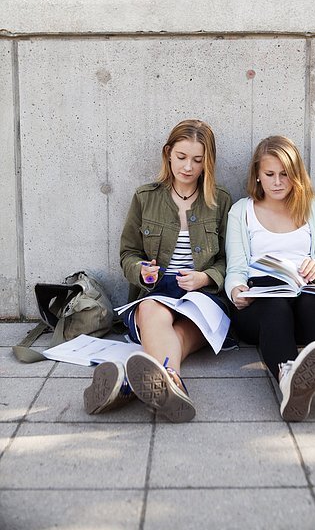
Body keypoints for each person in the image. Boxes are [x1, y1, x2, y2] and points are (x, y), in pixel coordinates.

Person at [84, 119, 232, 422]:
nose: (188, 167)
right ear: (168, 154)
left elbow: (231, 261)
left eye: (197, 159)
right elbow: (128, 253)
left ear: (208, 162)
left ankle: (129, 385)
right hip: (156, 290)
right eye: (181, 157)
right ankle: (172, 384)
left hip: (202, 295)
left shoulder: (220, 201)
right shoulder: (145, 197)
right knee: (153, 310)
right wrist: (141, 271)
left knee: (188, 329)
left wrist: (205, 277)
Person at [225, 135, 315, 422]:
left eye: (285, 175)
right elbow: (236, 269)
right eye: (270, 174)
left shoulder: (314, 208)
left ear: (297, 175)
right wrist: (236, 291)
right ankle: (289, 379)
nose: (278, 182)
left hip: (303, 300)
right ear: (257, 175)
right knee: (275, 305)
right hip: (259, 310)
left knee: (313, 302)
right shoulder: (242, 211)